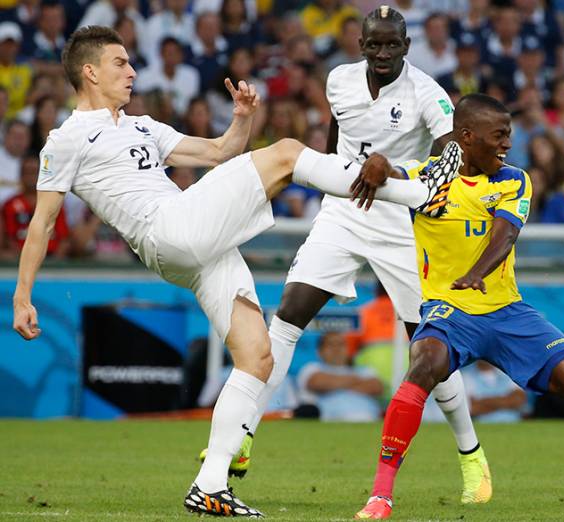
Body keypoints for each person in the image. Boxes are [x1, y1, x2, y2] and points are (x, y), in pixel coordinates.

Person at [11, 25, 458, 518]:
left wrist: (242, 118)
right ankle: (421, 193)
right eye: (120, 63)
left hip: (196, 246)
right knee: (287, 153)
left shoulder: (142, 126)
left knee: (257, 357)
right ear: (90, 72)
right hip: (170, 230)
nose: (132, 71)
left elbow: (220, 152)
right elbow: (44, 220)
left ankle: (209, 484)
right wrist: (21, 296)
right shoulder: (67, 138)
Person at [352, 93, 564, 519]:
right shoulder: (428, 178)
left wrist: (478, 271)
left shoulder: (514, 179)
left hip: (507, 311)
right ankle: (380, 497)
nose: (507, 143)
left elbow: (505, 234)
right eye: (499, 135)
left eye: (509, 134)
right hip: (449, 310)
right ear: (466, 136)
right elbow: (392, 171)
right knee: (423, 365)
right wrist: (378, 163)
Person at [213, 6, 494, 507]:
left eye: (392, 45)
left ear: (407, 45)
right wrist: (331, 183)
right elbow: (335, 141)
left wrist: (397, 172)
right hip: (343, 212)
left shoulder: (428, 93)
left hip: (400, 223)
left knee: (428, 346)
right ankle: (243, 437)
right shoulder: (339, 80)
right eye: (374, 45)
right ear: (359, 45)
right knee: (289, 317)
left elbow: (452, 153)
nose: (382, 53)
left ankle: (471, 456)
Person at [296, 332, 384, 422]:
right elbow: (318, 383)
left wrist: (335, 384)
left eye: (341, 344)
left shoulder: (365, 369)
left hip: (368, 420)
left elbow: (376, 387)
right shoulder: (312, 368)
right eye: (331, 345)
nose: (336, 349)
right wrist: (357, 381)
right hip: (330, 423)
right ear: (319, 351)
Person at [1, 156, 69, 259]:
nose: (31, 177)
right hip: (21, 260)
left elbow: (64, 239)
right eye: (27, 172)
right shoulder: (10, 205)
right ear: (21, 176)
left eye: (34, 172)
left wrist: (54, 264)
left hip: (51, 259)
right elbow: (8, 239)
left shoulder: (55, 202)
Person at [461, 360, 527, 423]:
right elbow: (471, 408)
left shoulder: (508, 372)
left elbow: (519, 400)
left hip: (514, 426)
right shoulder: (466, 376)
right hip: (483, 429)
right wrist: (507, 400)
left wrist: (483, 402)